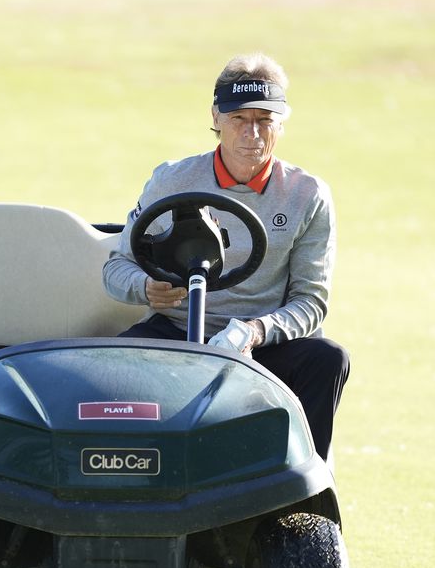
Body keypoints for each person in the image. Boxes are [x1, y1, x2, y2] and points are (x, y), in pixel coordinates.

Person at [103, 52, 349, 462]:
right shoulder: (173, 179)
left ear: (281, 124)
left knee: (327, 359)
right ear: (216, 116)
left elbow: (311, 303)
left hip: (260, 341)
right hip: (177, 329)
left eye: (264, 120)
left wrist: (254, 331)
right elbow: (115, 268)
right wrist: (145, 288)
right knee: (113, 366)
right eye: (239, 119)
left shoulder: (308, 195)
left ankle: (302, 488)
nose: (252, 133)